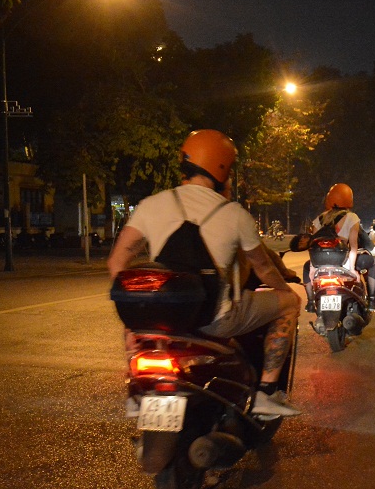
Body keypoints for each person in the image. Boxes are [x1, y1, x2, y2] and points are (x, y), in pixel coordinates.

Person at [107, 129, 302, 418]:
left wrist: (134, 310)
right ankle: (266, 392)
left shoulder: (151, 205)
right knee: (290, 303)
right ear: (222, 169)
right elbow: (264, 268)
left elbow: (117, 261)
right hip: (216, 320)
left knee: (136, 324)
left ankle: (137, 392)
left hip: (164, 321)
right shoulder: (234, 214)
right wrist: (284, 288)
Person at [304, 182, 375, 311]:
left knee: (305, 267)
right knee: (374, 262)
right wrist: (352, 269)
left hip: (320, 264)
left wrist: (312, 269)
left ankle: (310, 302)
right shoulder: (352, 217)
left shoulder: (319, 219)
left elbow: (313, 246)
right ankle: (372, 299)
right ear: (349, 199)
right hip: (343, 261)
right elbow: (353, 246)